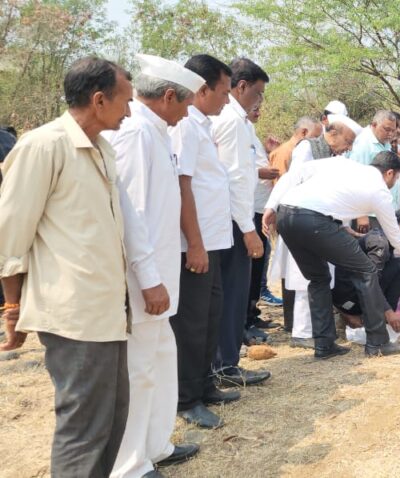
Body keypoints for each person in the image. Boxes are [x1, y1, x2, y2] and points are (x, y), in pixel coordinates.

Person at [0, 56, 133, 478]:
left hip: (108, 310)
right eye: (125, 101)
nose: (129, 112)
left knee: (112, 421)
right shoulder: (43, 145)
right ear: (98, 100)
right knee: (83, 430)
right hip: (74, 316)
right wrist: (12, 307)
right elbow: (10, 234)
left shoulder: (103, 149)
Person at [103, 53, 205, 478]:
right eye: (185, 104)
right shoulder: (134, 135)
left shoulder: (157, 132)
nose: (187, 114)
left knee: (161, 359)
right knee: (139, 370)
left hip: (162, 272)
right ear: (167, 96)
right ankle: (129, 465)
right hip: (145, 278)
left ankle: (156, 446)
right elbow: (132, 215)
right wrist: (147, 280)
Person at [263, 151, 400, 358]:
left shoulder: (342, 164)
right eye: (397, 178)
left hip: (286, 215)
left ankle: (324, 344)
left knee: (319, 278)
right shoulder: (379, 191)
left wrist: (271, 206)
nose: (395, 182)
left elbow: (294, 173)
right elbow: (396, 236)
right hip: (314, 220)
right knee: (366, 271)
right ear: (390, 173)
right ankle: (377, 343)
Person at [169, 54, 240, 430]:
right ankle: (187, 398)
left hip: (211, 241)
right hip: (192, 244)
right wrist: (194, 244)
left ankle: (205, 384)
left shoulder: (199, 125)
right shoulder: (183, 126)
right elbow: (183, 187)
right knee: (192, 324)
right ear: (202, 88)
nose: (227, 100)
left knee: (210, 317)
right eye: (224, 92)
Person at [269, 117, 359, 348]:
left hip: (323, 224)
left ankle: (320, 333)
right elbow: (292, 179)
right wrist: (271, 206)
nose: (348, 147)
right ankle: (302, 332)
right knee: (304, 278)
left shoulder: (333, 156)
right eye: (347, 141)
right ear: (335, 133)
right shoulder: (308, 148)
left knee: (321, 279)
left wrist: (343, 222)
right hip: (302, 221)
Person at [210, 57, 269, 387]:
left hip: (236, 218)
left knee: (231, 295)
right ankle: (225, 366)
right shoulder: (231, 121)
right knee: (232, 295)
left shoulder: (239, 121)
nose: (259, 102)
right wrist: (248, 230)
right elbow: (232, 178)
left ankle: (224, 362)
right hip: (234, 221)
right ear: (241, 86)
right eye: (258, 94)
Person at [334, 209, 400, 325]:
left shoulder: (390, 241)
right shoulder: (379, 243)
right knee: (398, 266)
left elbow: (392, 272)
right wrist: (388, 311)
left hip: (359, 290)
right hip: (347, 301)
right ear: (392, 225)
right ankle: (364, 318)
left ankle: (380, 319)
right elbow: (370, 282)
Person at [245, 103, 279, 344]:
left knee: (259, 266)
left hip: (259, 207)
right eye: (255, 106)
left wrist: (267, 154)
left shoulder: (250, 131)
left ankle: (252, 314)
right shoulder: (234, 126)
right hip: (249, 209)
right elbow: (240, 168)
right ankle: (245, 321)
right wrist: (265, 172)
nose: (258, 112)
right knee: (252, 267)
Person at [267, 116, 321, 183]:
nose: (318, 142)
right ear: (304, 132)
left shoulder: (300, 151)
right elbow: (280, 184)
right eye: (316, 137)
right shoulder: (284, 152)